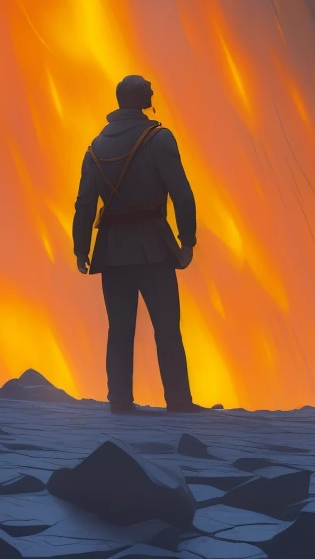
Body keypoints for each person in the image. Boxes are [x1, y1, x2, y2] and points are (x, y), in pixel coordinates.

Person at [71, 72, 197, 414]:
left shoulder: (95, 146)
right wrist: (188, 239)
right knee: (167, 328)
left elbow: (84, 204)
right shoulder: (159, 138)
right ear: (142, 98)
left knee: (120, 329)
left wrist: (81, 248)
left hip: (111, 251)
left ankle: (120, 402)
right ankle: (179, 402)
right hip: (153, 248)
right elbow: (182, 194)